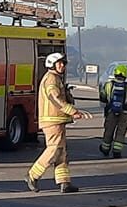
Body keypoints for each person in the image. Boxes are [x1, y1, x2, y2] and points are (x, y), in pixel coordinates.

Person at [27, 52, 88, 193]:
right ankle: (32, 175)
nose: (63, 66)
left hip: (58, 120)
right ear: (52, 64)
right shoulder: (51, 79)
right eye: (59, 63)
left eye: (64, 63)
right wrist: (72, 110)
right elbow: (54, 99)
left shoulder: (56, 78)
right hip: (52, 120)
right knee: (54, 149)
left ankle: (64, 182)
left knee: (61, 152)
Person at [97, 64, 127, 158]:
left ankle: (105, 149)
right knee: (120, 133)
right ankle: (117, 151)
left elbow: (103, 97)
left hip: (111, 112)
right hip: (124, 113)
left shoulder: (108, 85)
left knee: (108, 131)